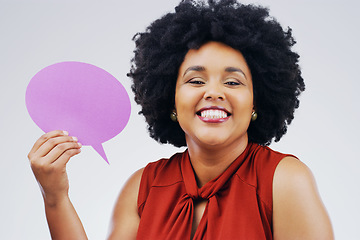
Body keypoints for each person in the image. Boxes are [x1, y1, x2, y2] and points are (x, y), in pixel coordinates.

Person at [27, 0, 334, 239]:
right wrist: (55, 196)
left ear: (257, 102)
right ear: (170, 99)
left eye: (233, 82)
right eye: (196, 81)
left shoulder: (285, 180)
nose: (213, 92)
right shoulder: (142, 188)